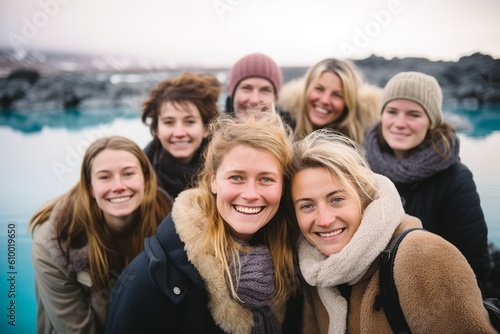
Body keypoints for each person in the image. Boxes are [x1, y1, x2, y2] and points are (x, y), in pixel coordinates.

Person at [106, 113, 302, 334]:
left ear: (283, 187)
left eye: (266, 179)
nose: (250, 194)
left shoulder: (292, 266)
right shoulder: (151, 281)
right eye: (236, 177)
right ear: (213, 181)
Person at [287, 129, 497, 333]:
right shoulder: (315, 271)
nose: (324, 220)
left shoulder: (423, 257)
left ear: (363, 197)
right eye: (307, 206)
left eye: (337, 200)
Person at [364, 71, 492, 295]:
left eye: (413, 114)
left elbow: (473, 264)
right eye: (392, 111)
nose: (399, 123)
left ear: (431, 122)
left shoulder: (455, 179)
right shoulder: (362, 167)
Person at [30, 136, 173, 334]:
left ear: (146, 179)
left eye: (128, 174)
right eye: (105, 177)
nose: (118, 186)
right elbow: (77, 330)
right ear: (90, 187)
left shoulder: (170, 223)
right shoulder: (55, 243)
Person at [141, 72, 221, 199]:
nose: (179, 133)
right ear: (157, 129)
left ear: (206, 128)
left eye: (189, 122)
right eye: (169, 122)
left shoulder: (224, 174)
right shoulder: (140, 176)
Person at [277, 57, 381, 144]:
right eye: (319, 89)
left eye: (337, 95)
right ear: (306, 90)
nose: (325, 100)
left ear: (348, 103)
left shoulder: (369, 143)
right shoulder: (281, 128)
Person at [225, 52, 294, 127]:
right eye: (246, 88)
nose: (255, 100)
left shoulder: (297, 135)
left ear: (276, 98)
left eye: (265, 90)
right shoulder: (212, 136)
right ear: (233, 94)